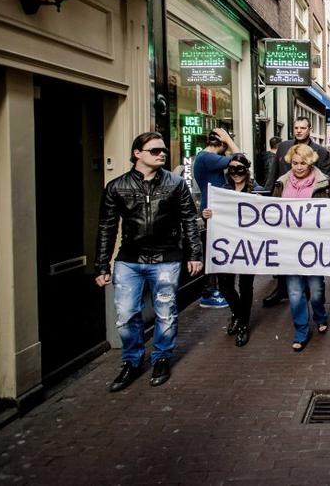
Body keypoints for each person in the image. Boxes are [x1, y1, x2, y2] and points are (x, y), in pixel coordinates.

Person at [94, 132, 203, 391]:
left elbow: (189, 219)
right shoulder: (117, 187)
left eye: (163, 150)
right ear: (137, 154)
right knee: (126, 314)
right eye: (155, 150)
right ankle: (132, 360)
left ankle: (162, 357)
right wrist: (101, 265)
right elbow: (106, 227)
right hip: (129, 260)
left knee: (165, 311)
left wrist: (194, 254)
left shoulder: (176, 184)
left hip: (166, 258)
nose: (162, 154)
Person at [271, 144, 330, 351]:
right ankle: (301, 329)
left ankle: (320, 314)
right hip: (289, 246)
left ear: (311, 162)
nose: (298, 167)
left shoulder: (324, 182)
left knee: (316, 289)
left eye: (303, 163)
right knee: (295, 291)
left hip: (314, 246)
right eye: (295, 163)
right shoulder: (281, 183)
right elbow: (271, 211)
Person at [262, 117, 330, 307]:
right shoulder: (284, 147)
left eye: (303, 128)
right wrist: (267, 201)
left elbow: (324, 182)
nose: (299, 131)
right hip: (286, 214)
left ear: (309, 129)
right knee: (286, 254)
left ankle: (313, 295)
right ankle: (282, 289)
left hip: (309, 217)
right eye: (296, 127)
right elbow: (274, 176)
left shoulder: (321, 152)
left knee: (310, 261)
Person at [201, 154, 262, 347]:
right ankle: (237, 313)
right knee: (225, 285)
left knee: (245, 286)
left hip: (248, 246)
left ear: (246, 170)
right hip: (227, 246)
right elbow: (212, 219)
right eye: (232, 169)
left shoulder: (256, 191)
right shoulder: (221, 192)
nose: (236, 173)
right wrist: (207, 215)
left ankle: (243, 324)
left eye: (240, 169)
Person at [193, 128, 240, 309]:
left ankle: (214, 290)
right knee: (214, 251)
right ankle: (210, 292)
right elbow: (240, 158)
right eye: (224, 143)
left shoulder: (203, 158)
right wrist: (229, 139)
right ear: (220, 143)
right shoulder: (207, 157)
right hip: (214, 209)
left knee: (216, 249)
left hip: (214, 207)